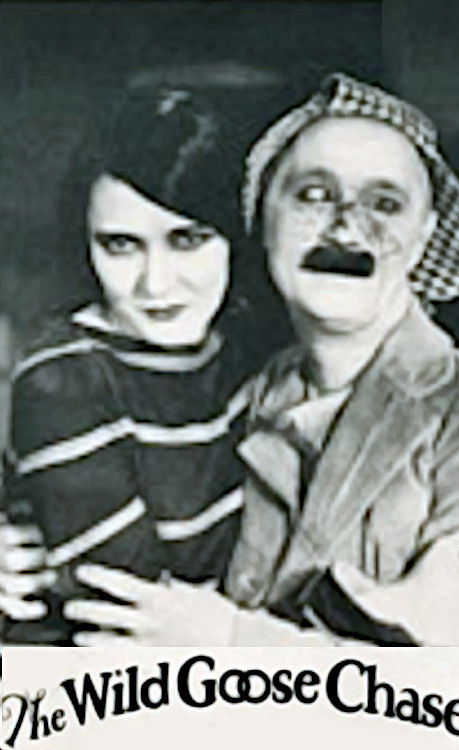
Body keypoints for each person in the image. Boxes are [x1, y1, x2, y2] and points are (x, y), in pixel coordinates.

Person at [60, 73, 459, 647]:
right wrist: (31, 551)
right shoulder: (235, 393)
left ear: (423, 237)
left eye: (385, 203)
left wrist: (233, 642)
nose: (345, 227)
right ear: (262, 215)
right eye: (313, 195)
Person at [0, 82, 261, 644]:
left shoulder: (252, 352)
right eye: (120, 245)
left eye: (188, 239)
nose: (155, 284)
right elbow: (134, 618)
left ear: (235, 233)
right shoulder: (62, 378)